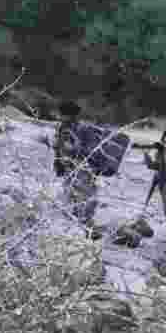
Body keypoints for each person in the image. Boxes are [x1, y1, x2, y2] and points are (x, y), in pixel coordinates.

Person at [53, 100, 99, 237]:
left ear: (72, 115)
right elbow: (57, 147)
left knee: (86, 198)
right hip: (68, 168)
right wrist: (57, 163)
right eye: (61, 115)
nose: (61, 117)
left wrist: (74, 149)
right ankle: (75, 229)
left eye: (63, 115)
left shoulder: (84, 129)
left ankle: (88, 228)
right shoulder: (61, 128)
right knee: (69, 197)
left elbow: (91, 150)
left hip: (83, 169)